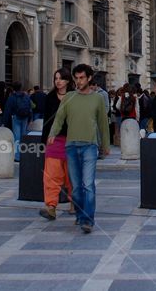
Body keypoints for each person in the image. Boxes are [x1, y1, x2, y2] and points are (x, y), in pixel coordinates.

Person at [47, 64, 110, 234]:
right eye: (76, 78)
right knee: (75, 187)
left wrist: (106, 144)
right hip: (71, 146)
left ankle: (88, 219)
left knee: (88, 184)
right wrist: (52, 133)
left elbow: (103, 123)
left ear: (89, 78)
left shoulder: (97, 98)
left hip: (90, 145)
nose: (78, 81)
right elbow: (59, 118)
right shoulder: (69, 97)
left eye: (82, 77)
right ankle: (81, 215)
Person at [40, 68, 74, 220]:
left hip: (72, 140)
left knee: (72, 175)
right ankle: (51, 206)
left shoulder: (75, 96)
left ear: (67, 80)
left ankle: (74, 204)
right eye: (56, 78)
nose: (57, 81)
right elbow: (46, 120)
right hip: (54, 140)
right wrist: (44, 140)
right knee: (51, 175)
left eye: (60, 78)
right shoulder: (50, 97)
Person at [3, 82, 32, 161]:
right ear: (21, 87)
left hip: (16, 117)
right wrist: (30, 119)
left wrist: (5, 121)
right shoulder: (26, 96)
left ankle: (18, 156)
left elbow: (7, 110)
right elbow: (30, 108)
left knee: (17, 137)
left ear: (13, 88)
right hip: (25, 117)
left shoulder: (11, 97)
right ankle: (24, 155)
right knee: (24, 136)